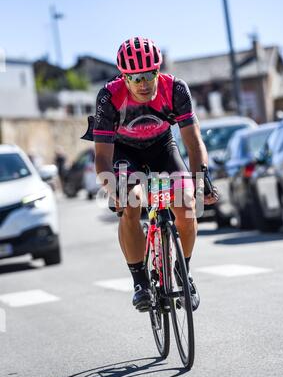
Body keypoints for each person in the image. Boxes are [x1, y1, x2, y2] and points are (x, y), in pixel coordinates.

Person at [81, 37, 218, 312]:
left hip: (161, 147)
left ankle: (183, 272)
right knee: (131, 203)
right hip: (123, 152)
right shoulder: (109, 97)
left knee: (188, 203)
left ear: (159, 70)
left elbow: (193, 142)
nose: (143, 83)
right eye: (135, 77)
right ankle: (141, 283)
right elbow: (103, 158)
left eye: (149, 75)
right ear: (124, 77)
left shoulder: (176, 89)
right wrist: (114, 191)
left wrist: (201, 181)